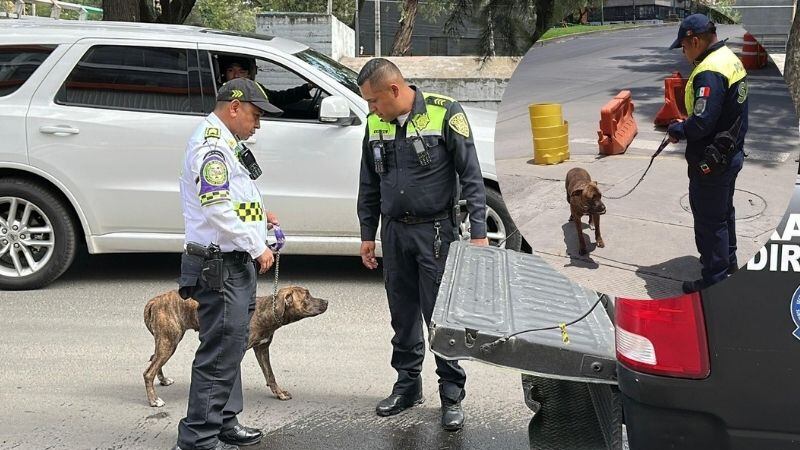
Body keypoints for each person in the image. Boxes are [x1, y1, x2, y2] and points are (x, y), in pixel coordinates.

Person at [356, 58, 489, 431]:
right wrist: (368, 234)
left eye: (374, 101)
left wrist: (478, 232)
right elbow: (368, 183)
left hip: (435, 233)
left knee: (440, 318)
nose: (371, 109)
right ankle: (407, 386)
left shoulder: (445, 114)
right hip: (394, 232)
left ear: (394, 90)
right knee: (402, 314)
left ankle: (450, 394)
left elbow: (472, 175)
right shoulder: (374, 123)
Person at [173, 77, 281, 450]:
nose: (259, 124)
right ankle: (198, 438)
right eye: (255, 115)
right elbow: (216, 208)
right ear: (233, 108)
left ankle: (223, 422)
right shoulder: (212, 147)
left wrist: (259, 218)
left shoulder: (227, 143)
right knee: (219, 352)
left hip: (232, 262)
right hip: (221, 265)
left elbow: (231, 199)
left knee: (232, 346)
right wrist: (256, 245)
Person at [666, 14, 748, 294]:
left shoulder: (709, 71)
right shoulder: (729, 58)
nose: (683, 52)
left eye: (684, 46)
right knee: (724, 214)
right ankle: (729, 265)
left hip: (712, 161)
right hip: (731, 153)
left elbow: (701, 122)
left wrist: (678, 129)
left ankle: (715, 281)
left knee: (709, 221)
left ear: (695, 40)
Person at [217, 55, 314, 111]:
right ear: (224, 73)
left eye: (241, 72)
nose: (236, 76)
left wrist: (306, 88)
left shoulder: (254, 90)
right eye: (231, 70)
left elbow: (278, 98)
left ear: (249, 74)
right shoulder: (218, 93)